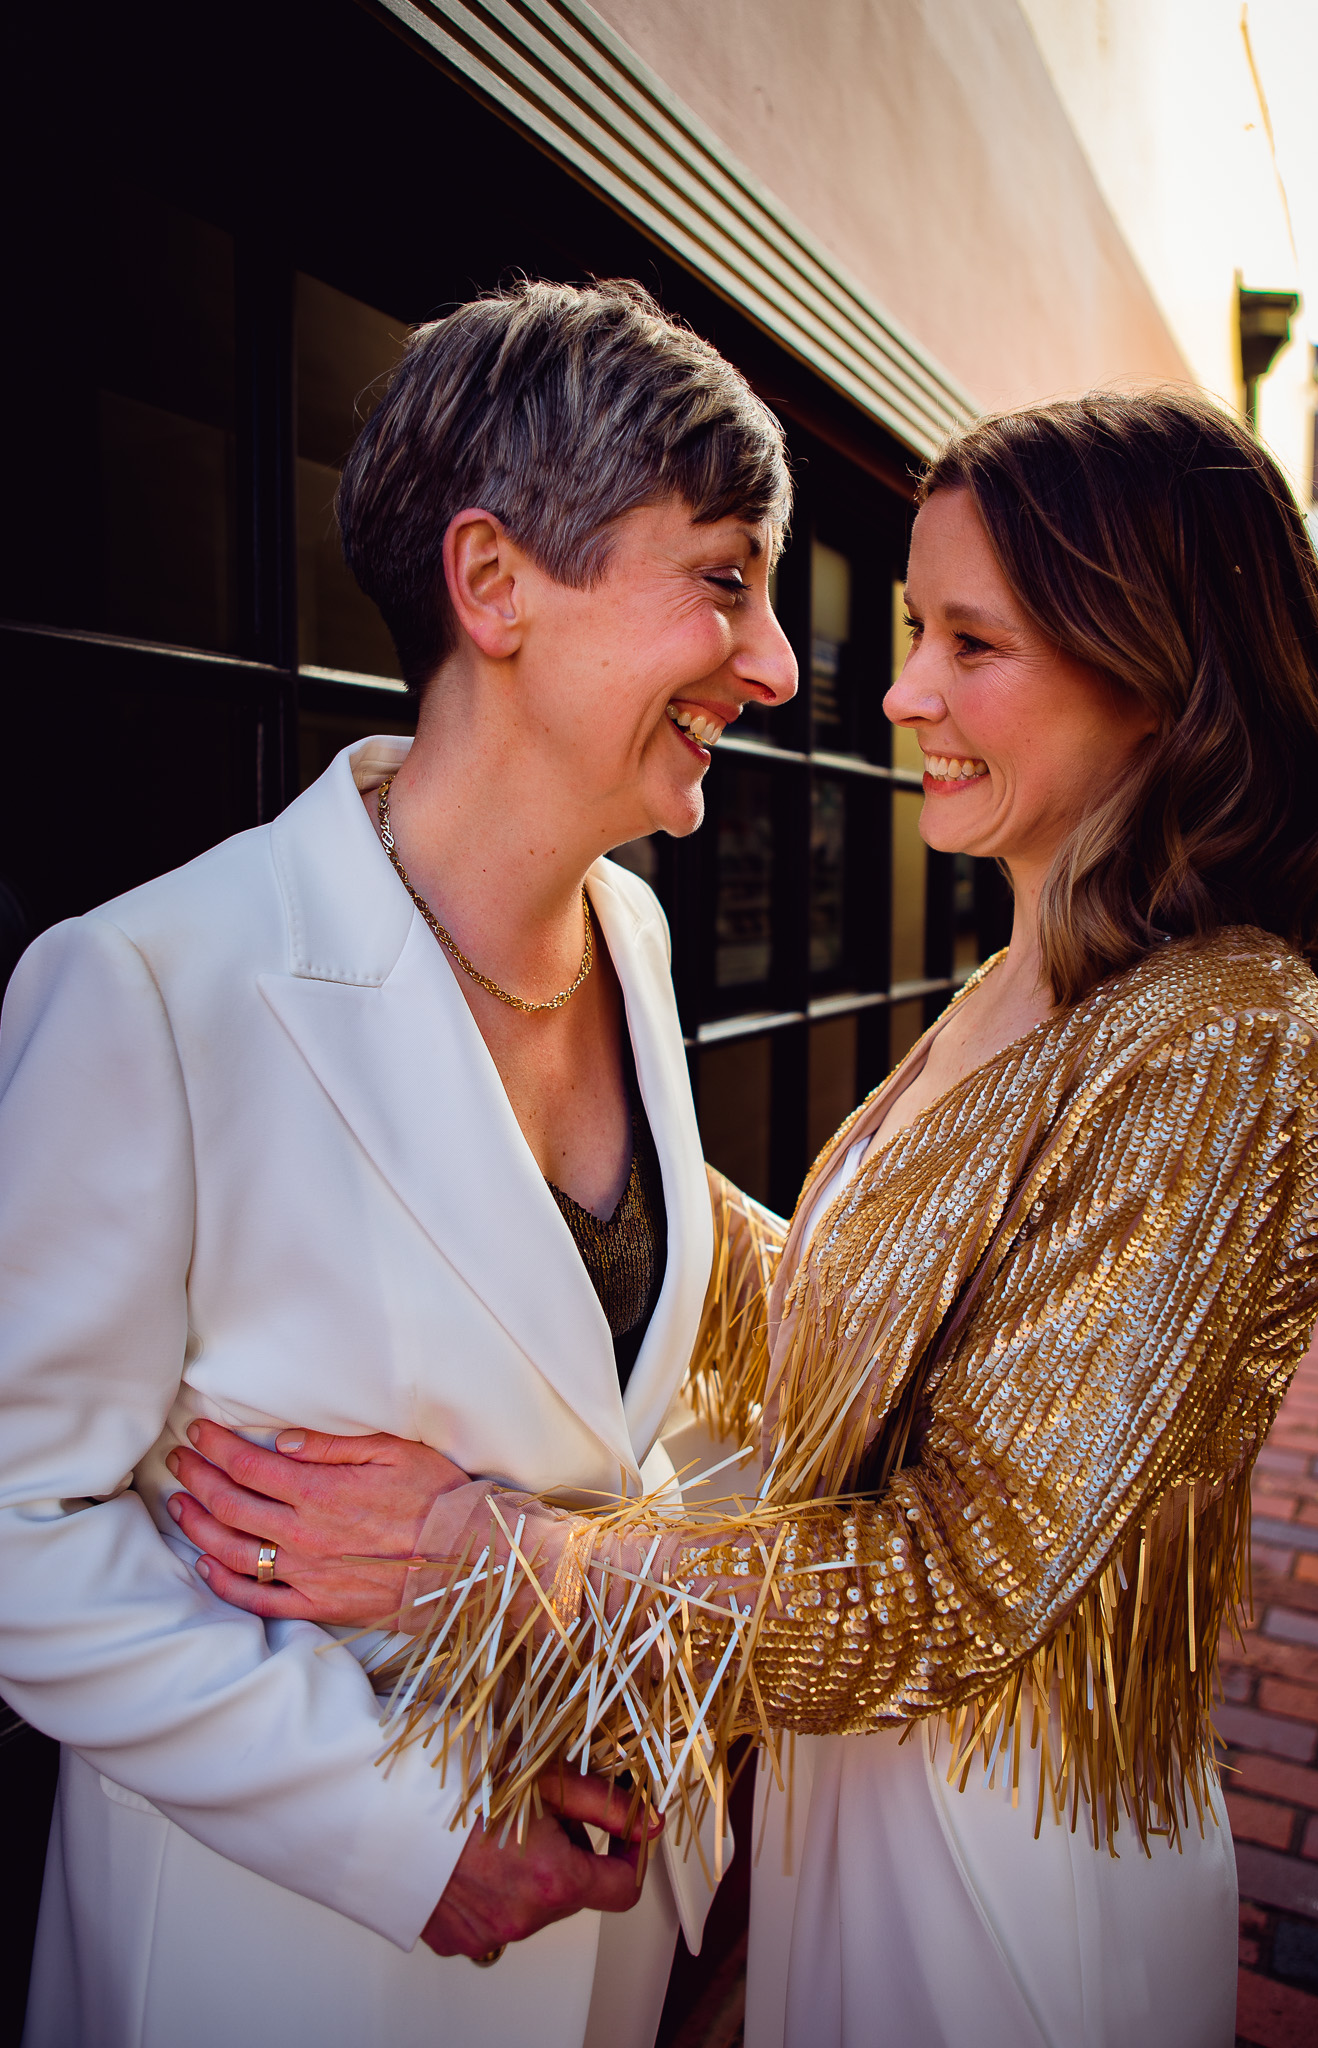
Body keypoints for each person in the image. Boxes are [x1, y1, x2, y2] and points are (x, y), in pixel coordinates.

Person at [179, 389, 1318, 2046]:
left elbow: (956, 1588)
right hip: (843, 1793)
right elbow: (841, 1310)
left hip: (999, 1853)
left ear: (1160, 669)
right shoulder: (1032, 971)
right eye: (911, 632)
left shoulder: (1227, 1039)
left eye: (973, 643)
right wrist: (523, 1113)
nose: (900, 695)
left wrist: (484, 1556)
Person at [0, 278, 797, 2048]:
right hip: (283, 1966)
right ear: (494, 583)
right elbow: (19, 1528)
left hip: (611, 1939)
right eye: (723, 579)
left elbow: (586, 1414)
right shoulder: (148, 984)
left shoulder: (640, 941)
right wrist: (407, 1834)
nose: (776, 666)